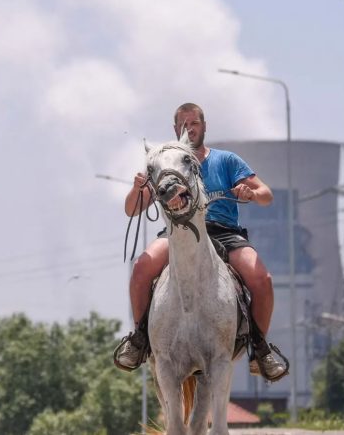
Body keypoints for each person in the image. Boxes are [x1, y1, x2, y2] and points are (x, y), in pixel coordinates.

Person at [114, 102, 287, 381]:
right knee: (141, 268)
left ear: (204, 127)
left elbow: (267, 194)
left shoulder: (227, 160)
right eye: (183, 124)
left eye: (194, 123)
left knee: (262, 279)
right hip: (179, 232)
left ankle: (260, 347)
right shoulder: (164, 162)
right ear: (175, 129)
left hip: (223, 233)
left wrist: (251, 194)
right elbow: (132, 209)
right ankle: (139, 339)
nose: (189, 129)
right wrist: (137, 189)